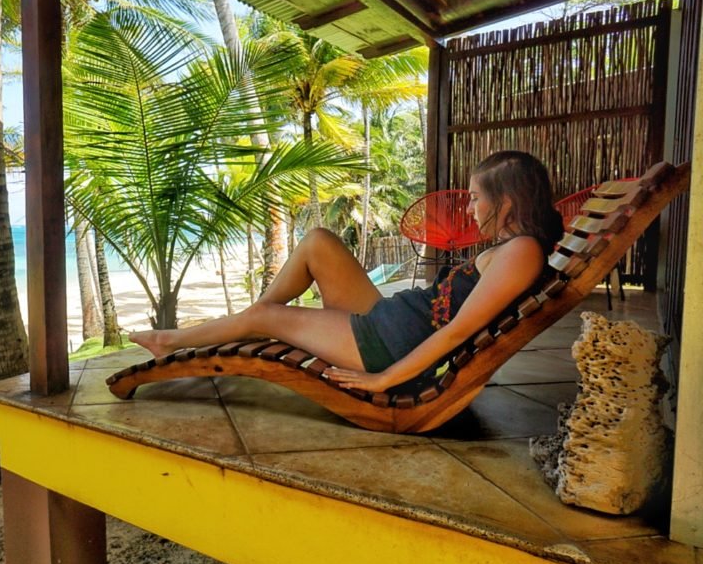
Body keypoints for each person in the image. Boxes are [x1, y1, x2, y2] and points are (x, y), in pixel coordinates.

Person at [129, 151, 565, 394]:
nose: (470, 208)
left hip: (386, 347)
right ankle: (261, 318)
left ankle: (174, 341)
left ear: (505, 202)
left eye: (474, 198)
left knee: (264, 318)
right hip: (388, 321)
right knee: (319, 241)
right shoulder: (515, 249)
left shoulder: (522, 252)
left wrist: (384, 378)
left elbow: (455, 333)